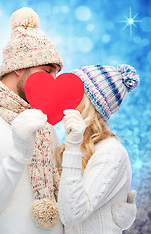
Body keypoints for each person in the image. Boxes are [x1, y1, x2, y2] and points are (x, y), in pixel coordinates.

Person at [0, 7, 136, 233]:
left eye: (57, 73)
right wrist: (18, 155)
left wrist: (113, 216)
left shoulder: (44, 125)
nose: (53, 82)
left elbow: (70, 194)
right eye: (48, 71)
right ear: (19, 68)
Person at [56, 64, 139, 233]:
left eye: (74, 92)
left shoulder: (111, 153)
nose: (65, 96)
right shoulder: (77, 146)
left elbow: (71, 215)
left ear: (90, 104)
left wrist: (72, 147)